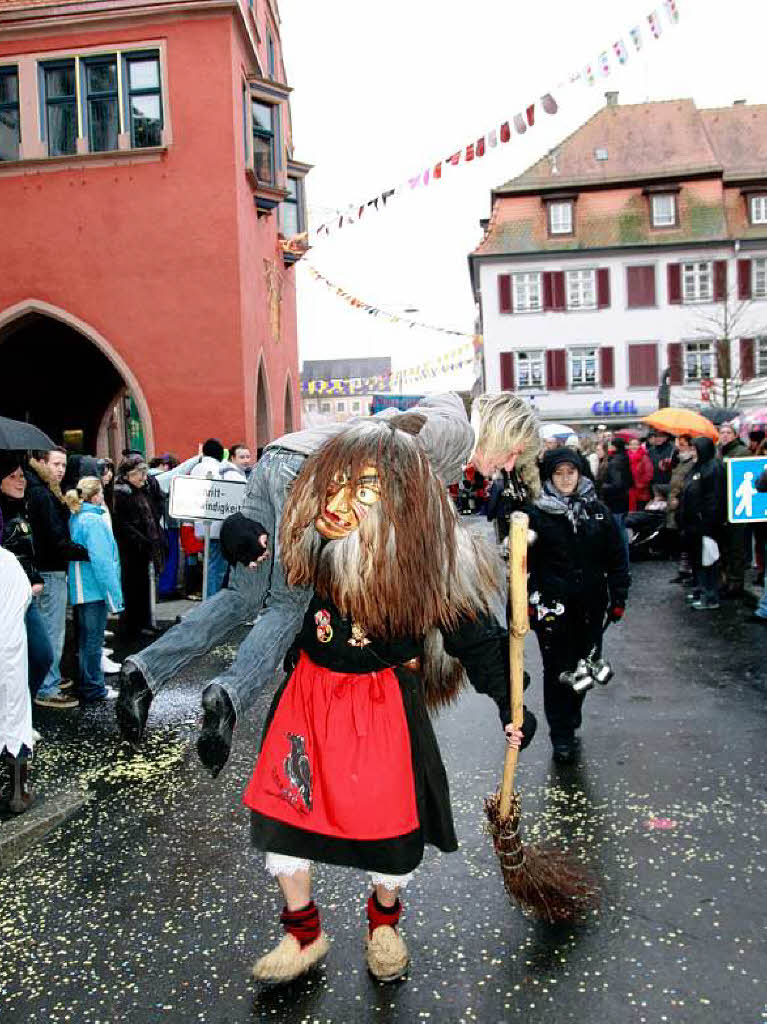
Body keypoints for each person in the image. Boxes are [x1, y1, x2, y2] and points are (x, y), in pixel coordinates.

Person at [242, 419, 536, 985]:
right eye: (335, 484)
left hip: (380, 707)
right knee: (285, 810)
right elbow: (260, 575)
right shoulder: (310, 543)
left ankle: (384, 925)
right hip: (307, 692)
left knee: (384, 820)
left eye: (365, 490)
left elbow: (480, 643)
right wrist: (242, 533)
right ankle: (302, 933)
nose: (339, 502)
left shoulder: (429, 566)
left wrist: (511, 705)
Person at [117, 392, 542, 770]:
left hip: (279, 458)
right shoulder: (458, 432)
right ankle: (229, 693)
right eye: (512, 454)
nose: (506, 467)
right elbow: (390, 444)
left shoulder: (445, 408)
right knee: (289, 603)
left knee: (240, 596)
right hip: (310, 474)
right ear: (504, 430)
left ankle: (145, 669)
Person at [526, 447, 629, 764]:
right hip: (552, 606)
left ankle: (572, 713)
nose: (566, 478)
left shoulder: (598, 511)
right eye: (559, 473)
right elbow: (521, 565)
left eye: (571, 472)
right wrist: (524, 606)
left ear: (581, 474)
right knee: (558, 671)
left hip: (590, 604)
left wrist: (619, 596)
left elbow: (617, 556)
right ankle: (562, 735)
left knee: (585, 666)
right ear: (550, 477)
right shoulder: (537, 514)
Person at [24, 448, 90, 705]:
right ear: (41, 463)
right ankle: (47, 687)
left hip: (48, 568)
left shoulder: (43, 491)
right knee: (53, 630)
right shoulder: (42, 493)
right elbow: (54, 537)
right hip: (50, 569)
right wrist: (83, 552)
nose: (61, 469)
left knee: (49, 627)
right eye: (56, 464)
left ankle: (49, 677)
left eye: (63, 465)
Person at [0, 453, 60, 706]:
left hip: (25, 597)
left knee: (41, 655)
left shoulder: (22, 508)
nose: (20, 481)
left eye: (22, 476)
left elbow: (26, 553)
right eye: (12, 477)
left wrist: (33, 577)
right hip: (7, 598)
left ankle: (21, 714)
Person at [64, 477, 124, 702]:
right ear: (96, 495)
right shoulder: (94, 521)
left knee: (86, 640)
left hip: (82, 587)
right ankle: (94, 687)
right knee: (93, 641)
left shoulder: (77, 516)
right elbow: (103, 562)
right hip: (94, 589)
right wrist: (114, 597)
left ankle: (89, 684)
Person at [113, 455, 166, 641]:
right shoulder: (121, 495)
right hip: (131, 550)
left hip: (144, 547)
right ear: (127, 476)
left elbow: (156, 507)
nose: (143, 478)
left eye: (144, 474)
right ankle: (132, 627)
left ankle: (143, 623)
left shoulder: (141, 490)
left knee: (143, 586)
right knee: (132, 588)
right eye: (139, 474)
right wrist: (143, 540)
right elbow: (123, 524)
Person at [0, 540, 36, 813]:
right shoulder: (8, 562)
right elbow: (25, 596)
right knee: (14, 714)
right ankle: (18, 792)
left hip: (8, 648)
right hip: (9, 650)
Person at [679, 437, 726, 611]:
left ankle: (710, 596)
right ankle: (701, 590)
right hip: (694, 524)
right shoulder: (697, 467)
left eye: (694, 449)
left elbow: (714, 499)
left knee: (708, 561)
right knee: (698, 559)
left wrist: (707, 521)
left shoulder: (713, 468)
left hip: (705, 525)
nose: (692, 452)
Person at [190, 438, 228, 597]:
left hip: (201, 522)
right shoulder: (219, 469)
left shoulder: (195, 469)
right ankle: (212, 599)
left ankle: (208, 597)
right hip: (217, 525)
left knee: (209, 562)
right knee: (216, 566)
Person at [717, 422, 750, 600]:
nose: (725, 436)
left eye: (728, 432)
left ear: (735, 435)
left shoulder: (742, 452)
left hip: (737, 507)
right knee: (725, 547)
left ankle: (736, 583)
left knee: (737, 547)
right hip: (722, 506)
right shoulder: (719, 453)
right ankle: (726, 580)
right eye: (722, 432)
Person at [598, 437, 632, 561]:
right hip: (622, 500)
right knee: (621, 532)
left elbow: (617, 484)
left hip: (615, 501)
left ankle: (623, 563)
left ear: (614, 447)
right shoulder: (623, 458)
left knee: (618, 534)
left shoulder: (615, 462)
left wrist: (602, 486)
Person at [666, 434, 696, 575]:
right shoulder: (680, 461)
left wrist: (678, 497)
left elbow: (687, 484)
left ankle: (688, 569)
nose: (679, 447)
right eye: (679, 443)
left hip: (683, 504)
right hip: (675, 504)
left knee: (687, 540)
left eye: (682, 444)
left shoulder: (692, 464)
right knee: (681, 539)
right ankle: (684, 569)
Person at [627, 438, 653, 511]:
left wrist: (640, 484)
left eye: (636, 444)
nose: (634, 446)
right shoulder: (626, 457)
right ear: (628, 446)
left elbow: (649, 473)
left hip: (642, 490)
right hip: (629, 490)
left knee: (640, 511)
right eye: (631, 444)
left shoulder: (644, 457)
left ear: (640, 446)